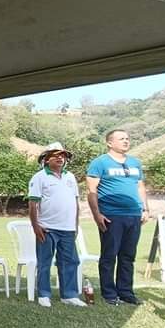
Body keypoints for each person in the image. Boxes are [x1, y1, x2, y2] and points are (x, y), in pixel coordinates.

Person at [86, 129, 149, 306]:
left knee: (128, 256)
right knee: (109, 255)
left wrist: (145, 209)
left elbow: (140, 187)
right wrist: (97, 214)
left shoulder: (135, 163)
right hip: (111, 215)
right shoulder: (100, 163)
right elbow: (91, 190)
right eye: (121, 139)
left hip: (134, 215)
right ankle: (109, 293)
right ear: (109, 143)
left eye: (127, 138)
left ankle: (126, 292)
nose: (126, 141)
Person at [28, 142, 87, 308]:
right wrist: (36, 226)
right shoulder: (39, 177)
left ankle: (69, 295)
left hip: (68, 228)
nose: (60, 158)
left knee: (69, 262)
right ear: (46, 159)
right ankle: (44, 295)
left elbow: (75, 203)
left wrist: (75, 225)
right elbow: (33, 204)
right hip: (47, 228)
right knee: (44, 262)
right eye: (56, 155)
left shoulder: (70, 177)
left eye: (63, 155)